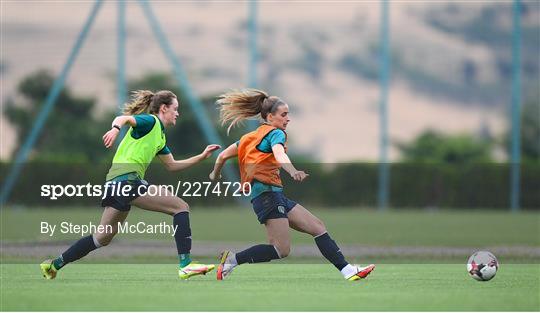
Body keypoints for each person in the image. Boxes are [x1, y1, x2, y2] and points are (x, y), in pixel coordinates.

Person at [40, 90, 219, 280]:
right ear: (164, 108)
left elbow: (172, 165)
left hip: (114, 183)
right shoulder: (151, 122)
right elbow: (123, 118)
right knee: (181, 207)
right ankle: (185, 264)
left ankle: (53, 265)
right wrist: (115, 129)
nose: (177, 113)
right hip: (127, 181)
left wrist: (201, 157)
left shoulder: (160, 137)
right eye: (175, 109)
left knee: (101, 238)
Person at [209, 89, 375, 281]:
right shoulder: (276, 134)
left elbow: (221, 156)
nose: (288, 119)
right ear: (270, 117)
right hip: (268, 197)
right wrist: (292, 170)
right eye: (284, 115)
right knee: (281, 249)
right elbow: (279, 154)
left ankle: (348, 271)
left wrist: (215, 173)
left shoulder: (248, 138)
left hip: (272, 196)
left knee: (317, 226)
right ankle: (232, 260)